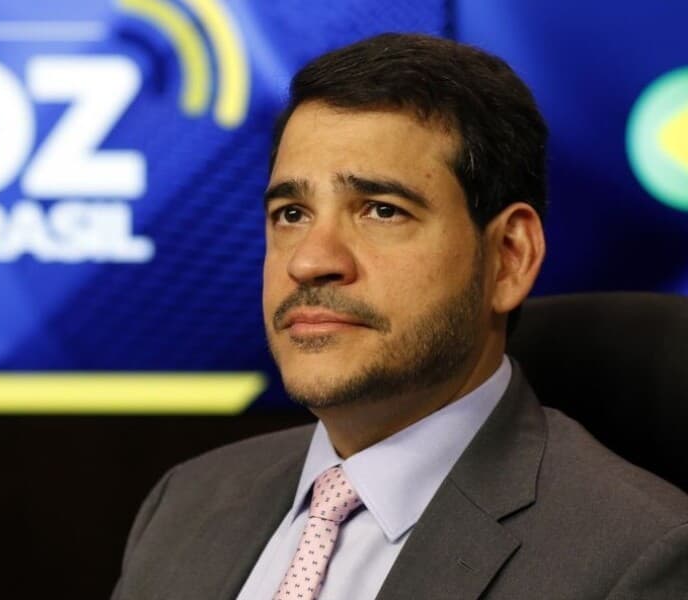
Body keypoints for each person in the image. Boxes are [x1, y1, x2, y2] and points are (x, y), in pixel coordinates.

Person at [112, 33, 688, 599]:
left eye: (381, 210)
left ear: (509, 257)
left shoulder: (639, 560)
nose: (309, 261)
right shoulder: (184, 502)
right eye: (291, 213)